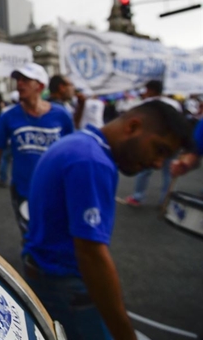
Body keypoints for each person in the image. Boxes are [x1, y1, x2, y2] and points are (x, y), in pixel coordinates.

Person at [23, 100, 192, 339]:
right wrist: (124, 333)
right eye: (160, 150)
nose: (157, 163)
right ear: (133, 126)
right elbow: (91, 254)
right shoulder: (92, 161)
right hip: (64, 284)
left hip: (45, 272)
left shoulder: (80, 143)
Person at [0, 63, 74, 235]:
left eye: (26, 80)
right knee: (31, 236)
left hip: (57, 189)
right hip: (23, 191)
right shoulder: (8, 116)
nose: (19, 84)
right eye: (18, 80)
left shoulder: (62, 115)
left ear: (40, 86)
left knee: (56, 234)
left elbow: (71, 152)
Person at [120, 80, 183, 207]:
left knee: (144, 169)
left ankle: (137, 197)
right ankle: (165, 201)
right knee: (168, 172)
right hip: (172, 143)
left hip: (153, 143)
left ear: (151, 90)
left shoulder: (147, 103)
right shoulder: (174, 103)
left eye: (146, 90)